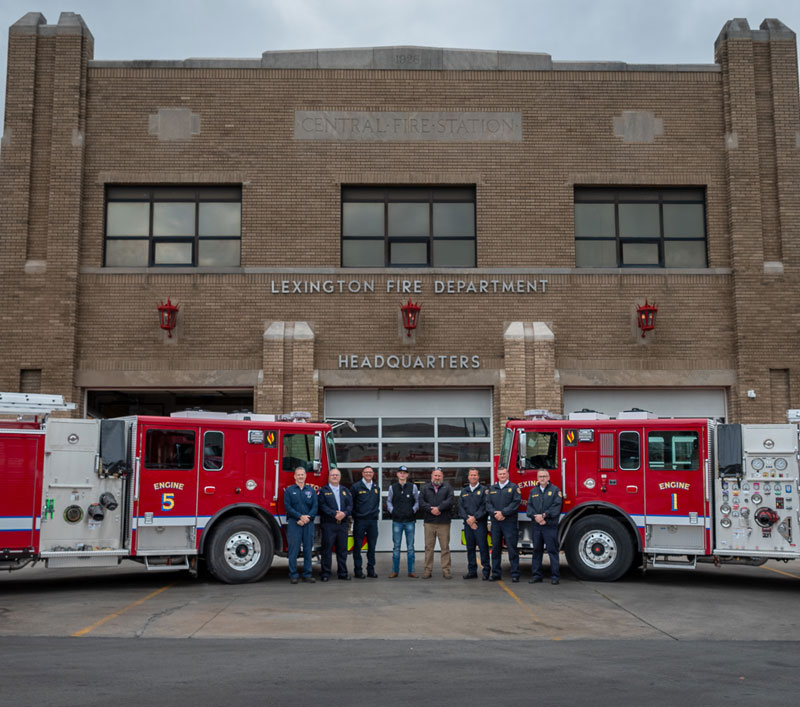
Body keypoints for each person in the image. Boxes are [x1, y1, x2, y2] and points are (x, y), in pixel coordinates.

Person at [526, 469, 563, 585]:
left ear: (548, 478)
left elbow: (556, 507)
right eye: (540, 476)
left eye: (544, 476)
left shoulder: (555, 490)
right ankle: (537, 576)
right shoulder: (533, 491)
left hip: (550, 526)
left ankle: (555, 576)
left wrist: (544, 516)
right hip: (537, 526)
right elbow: (529, 508)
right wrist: (535, 517)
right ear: (537, 478)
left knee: (552, 551)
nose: (542, 478)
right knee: (537, 551)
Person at [486, 466, 521, 583]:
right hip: (496, 522)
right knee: (495, 548)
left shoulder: (514, 488)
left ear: (508, 474)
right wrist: (495, 513)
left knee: (512, 548)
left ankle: (515, 574)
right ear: (497, 475)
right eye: (500, 474)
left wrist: (503, 513)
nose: (502, 475)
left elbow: (515, 503)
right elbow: (488, 504)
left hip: (509, 522)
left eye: (504, 473)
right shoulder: (492, 488)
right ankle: (496, 573)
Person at [318, 468, 353, 581]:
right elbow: (322, 506)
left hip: (342, 524)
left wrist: (344, 513)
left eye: (337, 475)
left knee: (342, 550)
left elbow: (350, 505)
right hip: (329, 524)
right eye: (332, 475)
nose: (335, 477)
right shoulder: (324, 490)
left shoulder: (345, 490)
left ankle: (343, 573)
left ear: (340, 477)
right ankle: (325, 573)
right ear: (329, 477)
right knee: (327, 550)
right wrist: (334, 514)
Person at [284, 466, 318, 584]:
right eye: (298, 474)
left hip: (308, 523)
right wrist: (300, 517)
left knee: (308, 550)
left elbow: (315, 506)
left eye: (302, 474)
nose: (300, 476)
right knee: (294, 550)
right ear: (294, 476)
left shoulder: (311, 490)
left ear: (305, 476)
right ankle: (293, 575)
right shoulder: (289, 491)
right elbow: (288, 507)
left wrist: (307, 518)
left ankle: (307, 574)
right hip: (295, 523)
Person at [419, 468, 454, 579]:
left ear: (442, 477)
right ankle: (427, 571)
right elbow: (421, 502)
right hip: (429, 522)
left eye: (439, 476)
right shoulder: (425, 488)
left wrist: (439, 508)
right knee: (429, 548)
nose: (437, 478)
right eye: (435, 476)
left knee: (445, 548)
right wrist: (430, 509)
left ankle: (446, 570)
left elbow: (450, 501)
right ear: (431, 476)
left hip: (443, 522)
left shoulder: (448, 488)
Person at [387, 465, 419, 578]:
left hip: (410, 521)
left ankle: (411, 571)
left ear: (407, 475)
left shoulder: (413, 487)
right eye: (400, 472)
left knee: (410, 547)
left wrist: (413, 510)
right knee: (396, 547)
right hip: (397, 521)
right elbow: (389, 501)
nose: (402, 474)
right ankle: (395, 571)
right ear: (397, 474)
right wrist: (392, 511)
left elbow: (417, 501)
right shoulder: (392, 487)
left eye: (404, 473)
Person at [458, 467, 490, 580]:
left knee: (483, 548)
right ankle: (472, 571)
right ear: (468, 477)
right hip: (468, 525)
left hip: (480, 524)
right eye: (471, 475)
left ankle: (486, 572)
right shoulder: (464, 491)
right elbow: (460, 508)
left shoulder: (484, 490)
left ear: (478, 477)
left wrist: (475, 518)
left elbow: (485, 507)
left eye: (475, 475)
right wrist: (468, 519)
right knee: (470, 548)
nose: (473, 477)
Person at [351, 465, 380, 578]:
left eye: (370, 472)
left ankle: (371, 570)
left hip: (372, 522)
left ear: (373, 474)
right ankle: (358, 570)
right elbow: (351, 503)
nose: (368, 474)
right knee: (357, 547)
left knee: (372, 547)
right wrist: (356, 515)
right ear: (362, 474)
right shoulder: (356, 487)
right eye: (366, 472)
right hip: (360, 521)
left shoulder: (376, 487)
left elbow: (376, 503)